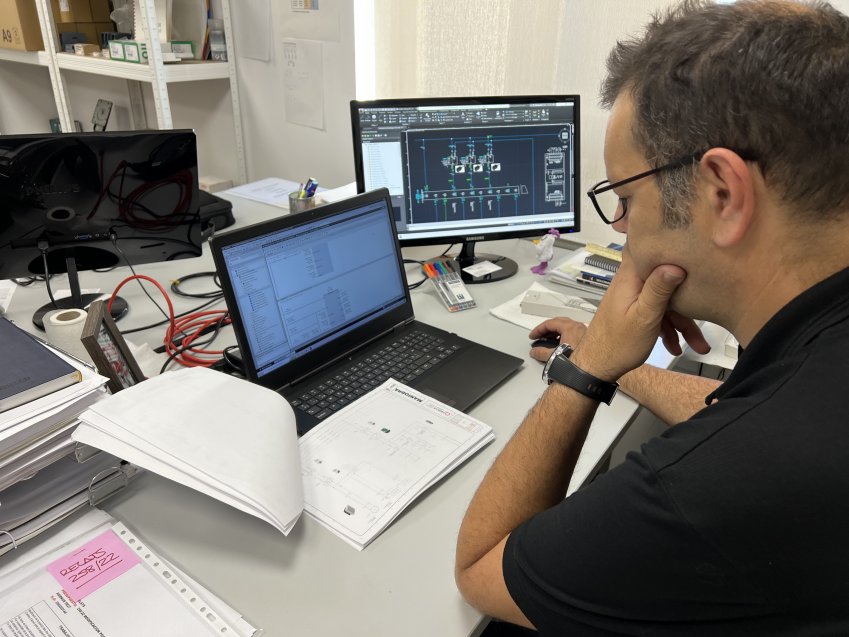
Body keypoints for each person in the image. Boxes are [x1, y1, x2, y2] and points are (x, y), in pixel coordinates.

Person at [454, 0, 849, 634]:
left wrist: (583, 372)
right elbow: (744, 410)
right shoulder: (816, 372)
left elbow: (480, 569)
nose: (620, 228)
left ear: (723, 194)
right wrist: (613, 358)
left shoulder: (716, 483)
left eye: (626, 199)